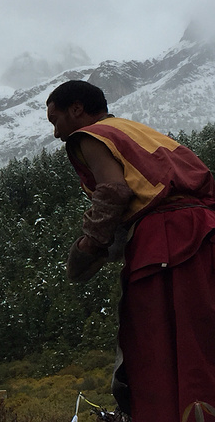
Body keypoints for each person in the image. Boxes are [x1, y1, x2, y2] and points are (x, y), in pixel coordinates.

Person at [45, 80, 215, 422]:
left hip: (168, 241)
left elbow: (113, 192)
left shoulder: (90, 135)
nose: (56, 132)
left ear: (76, 109)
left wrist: (89, 245)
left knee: (161, 347)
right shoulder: (137, 132)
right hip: (206, 233)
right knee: (204, 338)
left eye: (55, 120)